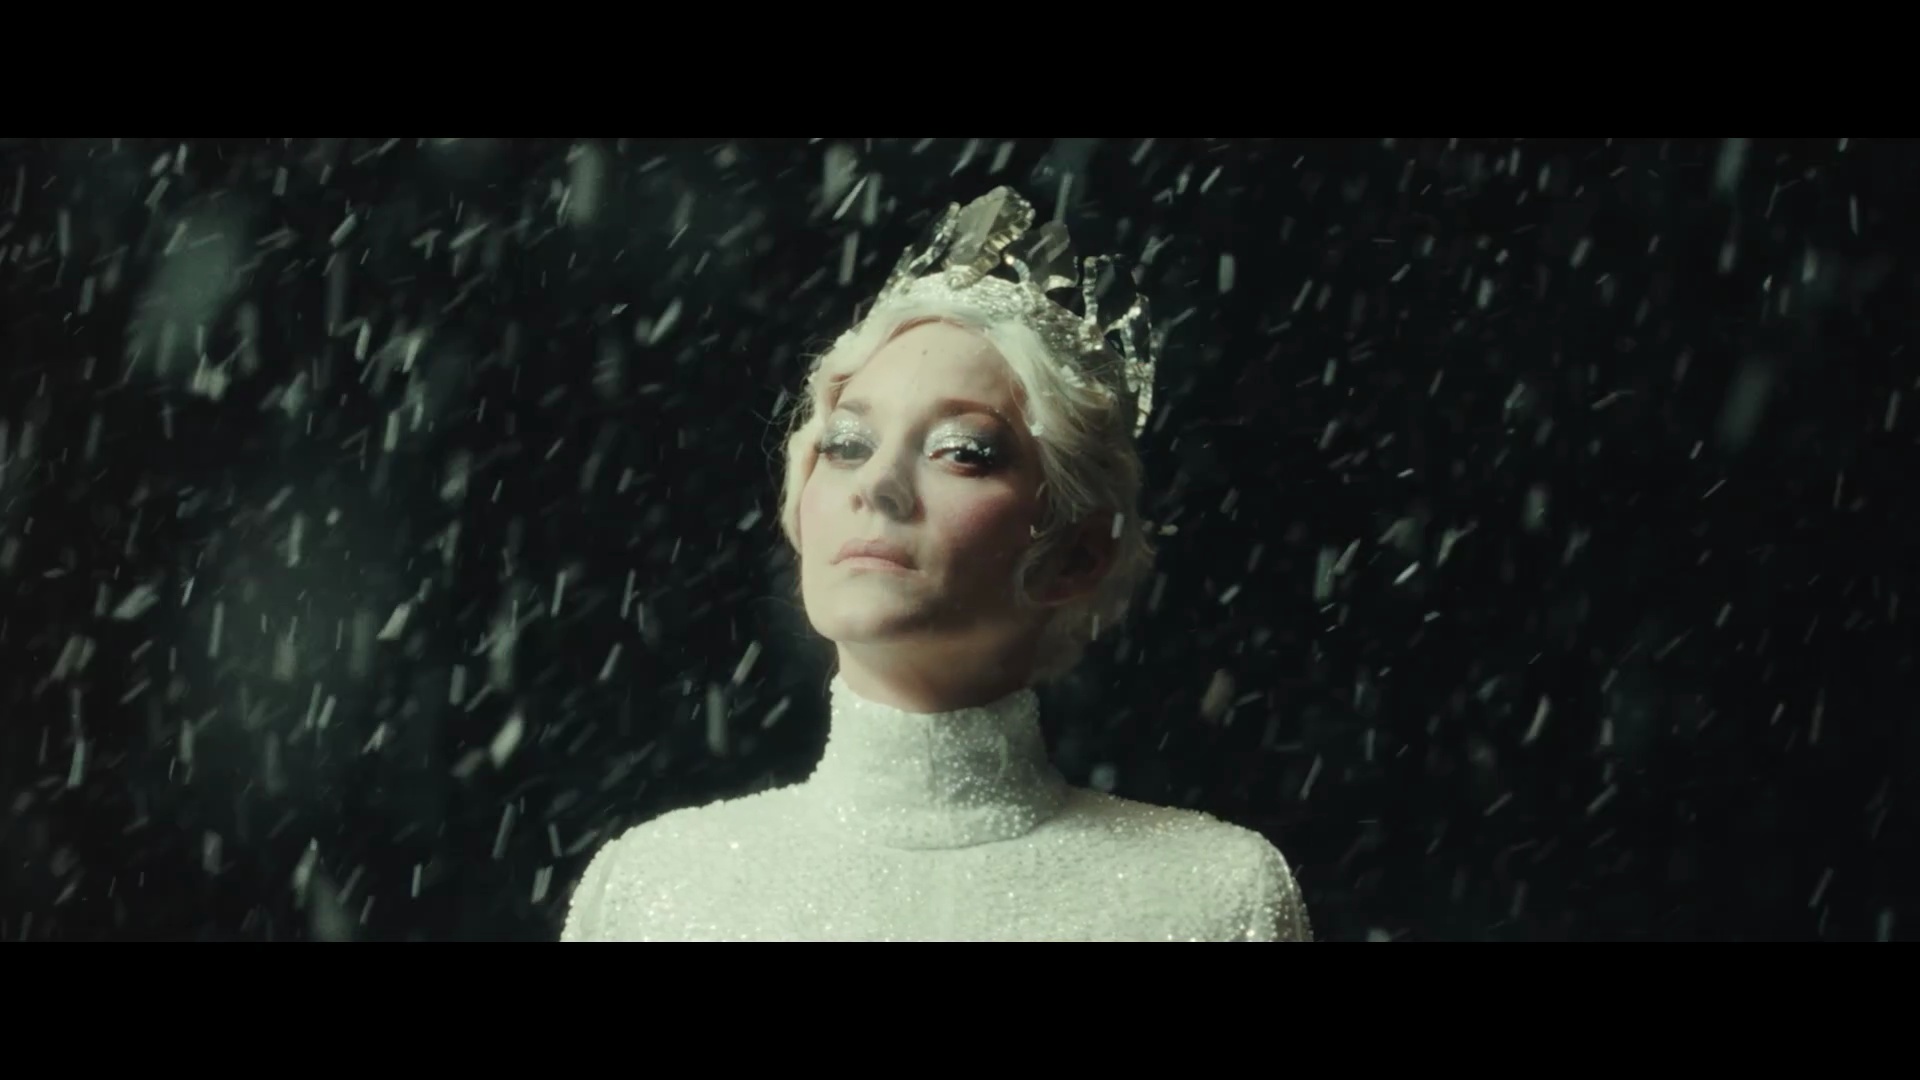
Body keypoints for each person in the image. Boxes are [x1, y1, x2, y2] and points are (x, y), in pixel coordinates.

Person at [562, 187, 1310, 941]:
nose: (878, 485)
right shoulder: (656, 888)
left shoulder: (1216, 893)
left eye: (961, 451)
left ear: (1078, 554)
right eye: (847, 444)